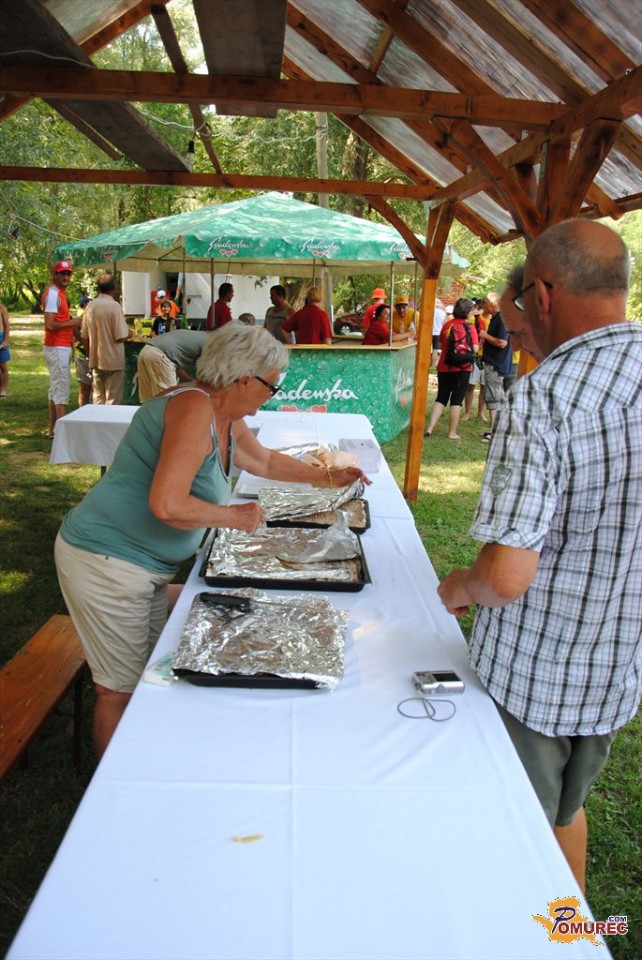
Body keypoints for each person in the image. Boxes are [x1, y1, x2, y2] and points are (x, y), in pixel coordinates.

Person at [437, 220, 642, 892]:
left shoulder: (545, 395)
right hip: (616, 670)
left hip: (536, 676)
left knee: (511, 840)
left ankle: (533, 932)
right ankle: (568, 935)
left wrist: (459, 585)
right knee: (564, 812)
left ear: (543, 293)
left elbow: (504, 576)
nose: (520, 327)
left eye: (522, 307)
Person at [55, 324, 370, 757]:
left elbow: (262, 460)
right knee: (119, 689)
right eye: (270, 386)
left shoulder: (223, 413)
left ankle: (143, 759)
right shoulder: (193, 409)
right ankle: (115, 785)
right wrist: (232, 516)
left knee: (147, 670)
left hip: (143, 564)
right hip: (107, 561)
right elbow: (167, 504)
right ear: (242, 379)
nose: (270, 396)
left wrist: (327, 478)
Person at [424, 298, 478, 440]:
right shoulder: (470, 327)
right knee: (456, 401)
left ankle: (430, 428)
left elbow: (442, 343)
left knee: (441, 398)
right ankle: (452, 433)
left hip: (444, 367)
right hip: (463, 369)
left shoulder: (447, 325)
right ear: (468, 311)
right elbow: (475, 348)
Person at [42, 260, 78, 438]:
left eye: (68, 273)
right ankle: (62, 435)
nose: (65, 277)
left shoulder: (60, 294)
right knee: (61, 389)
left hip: (60, 346)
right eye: (62, 273)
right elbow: (49, 325)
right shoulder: (53, 294)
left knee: (55, 389)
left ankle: (54, 430)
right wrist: (75, 321)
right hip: (56, 346)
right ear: (54, 274)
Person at [82, 274, 131, 405]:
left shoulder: (90, 306)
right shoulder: (114, 306)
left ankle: (97, 419)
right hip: (113, 361)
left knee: (98, 400)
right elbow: (121, 336)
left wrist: (89, 356)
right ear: (114, 287)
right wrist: (130, 333)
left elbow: (84, 336)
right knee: (113, 401)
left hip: (96, 361)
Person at [137, 329, 213, 402]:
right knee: (168, 400)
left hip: (146, 350)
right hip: (161, 355)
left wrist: (192, 381)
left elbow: (177, 368)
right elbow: (209, 374)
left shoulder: (198, 336)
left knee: (149, 400)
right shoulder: (212, 343)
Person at [477, 292, 511, 442]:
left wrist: (485, 335)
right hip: (497, 363)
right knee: (497, 397)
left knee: (493, 398)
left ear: (492, 304)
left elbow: (502, 343)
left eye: (485, 303)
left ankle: (495, 433)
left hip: (496, 364)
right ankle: (496, 431)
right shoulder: (498, 318)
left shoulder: (501, 319)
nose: (483, 306)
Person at [461, 299, 488, 423]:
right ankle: (467, 412)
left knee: (484, 386)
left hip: (488, 357)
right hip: (476, 356)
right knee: (471, 385)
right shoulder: (474, 319)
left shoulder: (494, 320)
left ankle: (480, 412)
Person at [74, 294, 92, 407]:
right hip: (83, 354)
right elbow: (75, 330)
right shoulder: (83, 314)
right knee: (86, 387)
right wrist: (82, 340)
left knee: (86, 386)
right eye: (89, 302)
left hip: (84, 354)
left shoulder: (82, 313)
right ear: (85, 304)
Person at [431, 297, 446, 368]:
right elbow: (444, 324)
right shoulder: (443, 313)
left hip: (430, 333)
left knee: (427, 350)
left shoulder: (430, 312)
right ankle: (433, 366)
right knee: (435, 350)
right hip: (438, 334)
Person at [0, 299, 10, 399]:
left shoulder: (2, 308)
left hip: (1, 338)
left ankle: (3, 390)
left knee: (3, 366)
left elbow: (7, 326)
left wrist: (5, 340)